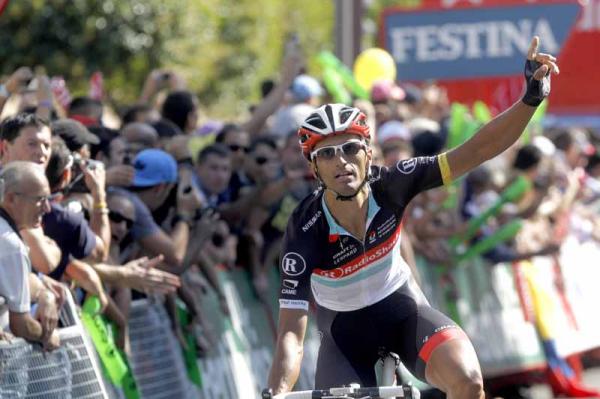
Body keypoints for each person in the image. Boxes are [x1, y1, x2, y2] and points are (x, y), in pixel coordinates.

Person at [267, 37, 559, 398]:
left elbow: (478, 149)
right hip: (345, 337)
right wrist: (277, 390)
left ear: (368, 152)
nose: (341, 161)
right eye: (327, 154)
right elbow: (292, 331)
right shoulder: (304, 228)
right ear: (313, 166)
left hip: (404, 313)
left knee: (467, 381)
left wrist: (530, 99)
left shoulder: (393, 183)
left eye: (350, 147)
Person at [0, 161, 61, 350]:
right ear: (11, 199)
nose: (47, 208)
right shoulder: (11, 245)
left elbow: (23, 279)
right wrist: (47, 335)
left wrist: (45, 295)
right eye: (40, 199)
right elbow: (21, 325)